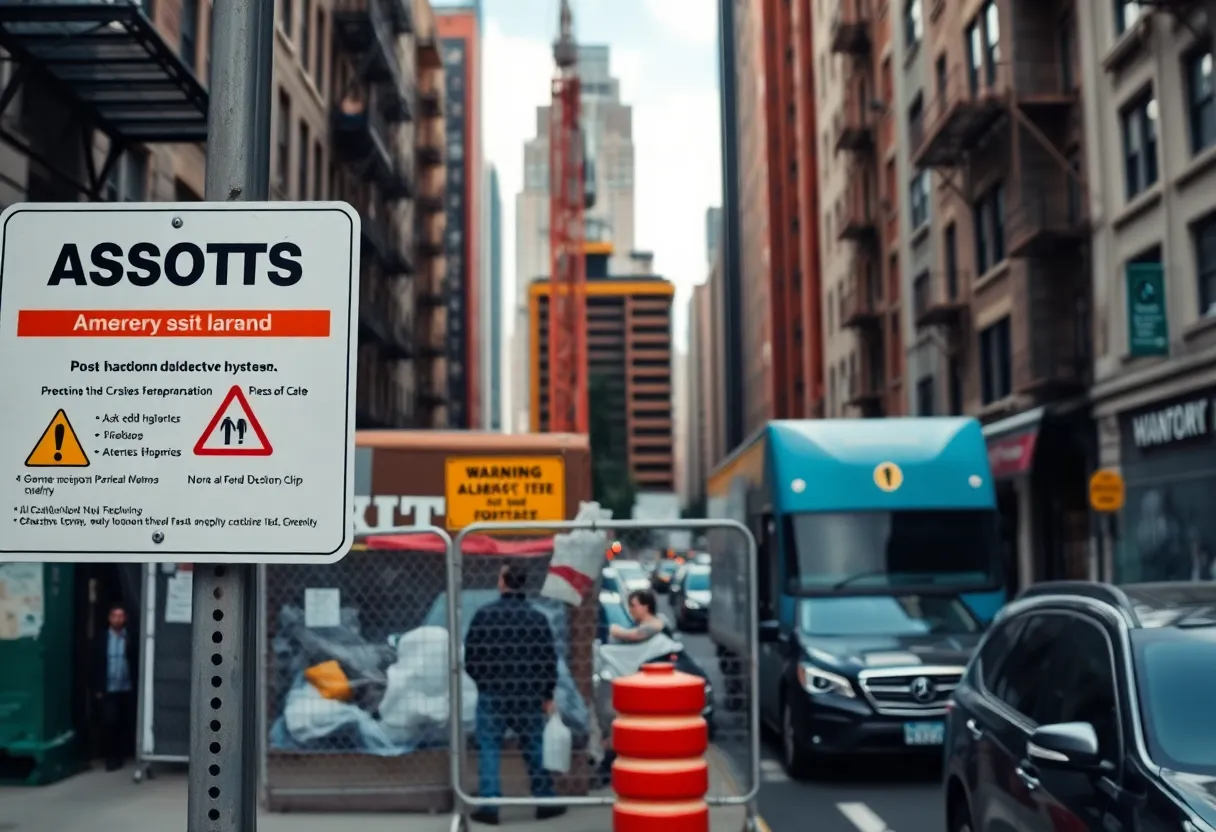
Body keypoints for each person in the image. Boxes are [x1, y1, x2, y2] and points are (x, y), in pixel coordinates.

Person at [464, 564, 566, 825]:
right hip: (527, 694)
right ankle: (544, 801)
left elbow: (471, 657)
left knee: (489, 748)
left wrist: (484, 682)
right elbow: (548, 660)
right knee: (533, 746)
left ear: (502, 582)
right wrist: (546, 693)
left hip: (494, 692)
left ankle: (490, 804)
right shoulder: (537, 618)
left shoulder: (485, 615)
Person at [92, 602, 135, 771]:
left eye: (120, 616)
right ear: (109, 618)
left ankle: (121, 755)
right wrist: (97, 688)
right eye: (114, 616)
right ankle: (110, 757)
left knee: (123, 723)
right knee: (109, 722)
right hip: (108, 687)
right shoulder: (102, 639)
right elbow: (94, 663)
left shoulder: (130, 637)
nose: (117, 619)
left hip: (125, 687)